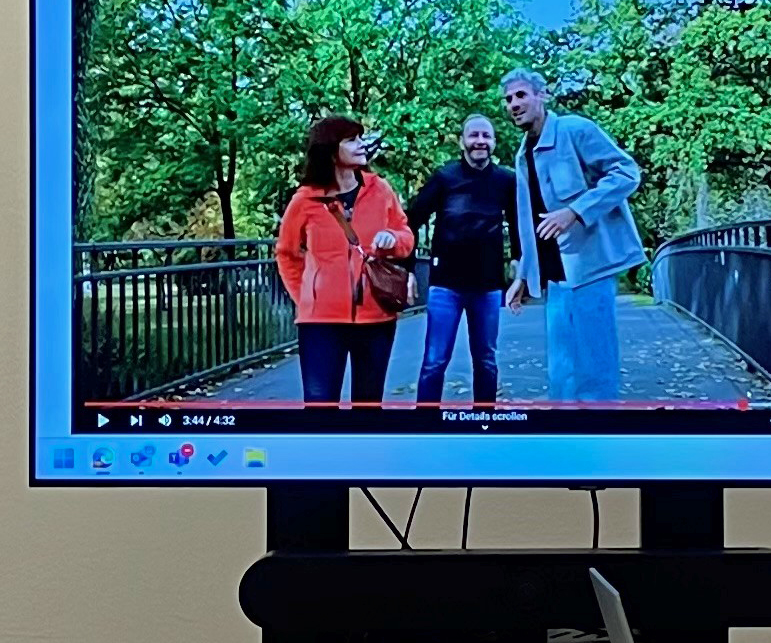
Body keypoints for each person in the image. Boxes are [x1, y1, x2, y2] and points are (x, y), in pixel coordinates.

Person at [499, 70, 643, 404]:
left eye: (521, 95)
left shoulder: (575, 130)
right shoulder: (523, 155)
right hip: (555, 277)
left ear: (542, 95)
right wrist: (523, 275)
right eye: (508, 100)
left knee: (594, 367)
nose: (514, 105)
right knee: (561, 371)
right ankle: (565, 438)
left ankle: (598, 440)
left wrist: (575, 211)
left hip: (589, 268)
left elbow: (627, 173)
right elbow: (529, 221)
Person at [271, 116, 409, 407]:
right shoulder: (305, 200)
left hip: (376, 317)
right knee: (320, 407)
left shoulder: (380, 189)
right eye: (352, 140)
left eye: (360, 138)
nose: (362, 145)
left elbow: (405, 234)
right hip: (321, 323)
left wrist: (392, 238)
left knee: (368, 406)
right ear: (331, 150)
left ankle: (364, 454)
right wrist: (307, 296)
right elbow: (286, 253)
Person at [406, 115, 516, 405]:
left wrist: (520, 264)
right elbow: (411, 221)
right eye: (474, 135)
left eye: (486, 136)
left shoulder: (506, 180)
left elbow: (519, 225)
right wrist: (407, 269)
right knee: (434, 362)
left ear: (493, 142)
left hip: (488, 285)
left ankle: (483, 423)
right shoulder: (445, 178)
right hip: (446, 286)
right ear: (462, 141)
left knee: (486, 361)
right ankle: (426, 426)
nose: (480, 141)